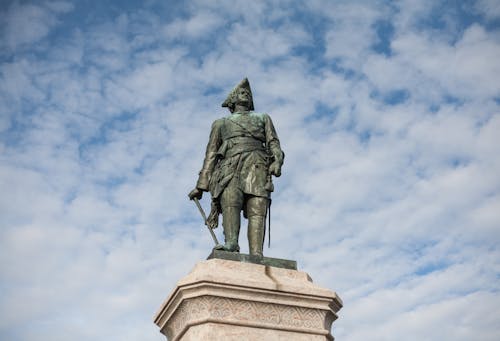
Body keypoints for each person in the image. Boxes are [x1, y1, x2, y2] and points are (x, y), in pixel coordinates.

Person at [188, 78, 284, 257]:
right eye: (241, 93)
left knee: (257, 208)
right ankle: (231, 243)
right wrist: (201, 186)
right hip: (229, 168)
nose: (246, 94)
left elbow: (274, 143)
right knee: (231, 204)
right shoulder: (221, 123)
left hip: (257, 165)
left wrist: (277, 160)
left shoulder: (263, 118)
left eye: (248, 93)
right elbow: (210, 154)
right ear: (232, 100)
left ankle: (257, 253)